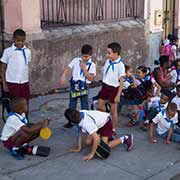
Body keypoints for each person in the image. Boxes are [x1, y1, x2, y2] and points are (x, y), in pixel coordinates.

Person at [64, 108, 134, 161]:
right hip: (96, 124)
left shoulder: (86, 123)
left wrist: (91, 154)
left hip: (106, 123)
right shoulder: (79, 114)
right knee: (88, 142)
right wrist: (79, 148)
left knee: (103, 147)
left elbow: (96, 139)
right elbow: (80, 132)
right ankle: (106, 136)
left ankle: (126, 138)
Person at [60, 44, 96, 128]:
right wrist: (63, 76)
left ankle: (86, 122)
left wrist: (84, 69)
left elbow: (90, 78)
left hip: (84, 86)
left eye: (87, 57)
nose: (84, 58)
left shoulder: (92, 65)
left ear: (91, 56)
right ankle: (71, 121)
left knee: (84, 105)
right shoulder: (76, 60)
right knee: (72, 104)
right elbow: (68, 68)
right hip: (74, 85)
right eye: (83, 56)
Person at [0, 29, 31, 114]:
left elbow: (26, 66)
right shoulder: (8, 52)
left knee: (25, 102)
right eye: (18, 40)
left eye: (22, 41)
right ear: (13, 39)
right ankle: (14, 121)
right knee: (15, 104)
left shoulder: (27, 51)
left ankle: (25, 120)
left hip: (24, 82)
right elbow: (2, 68)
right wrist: (4, 84)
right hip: (12, 82)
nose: (20, 43)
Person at [98, 42, 125, 133]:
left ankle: (112, 128)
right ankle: (105, 118)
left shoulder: (120, 65)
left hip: (114, 88)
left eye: (109, 53)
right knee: (100, 105)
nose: (107, 55)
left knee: (114, 110)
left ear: (116, 53)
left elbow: (121, 82)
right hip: (105, 86)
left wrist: (118, 95)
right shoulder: (108, 61)